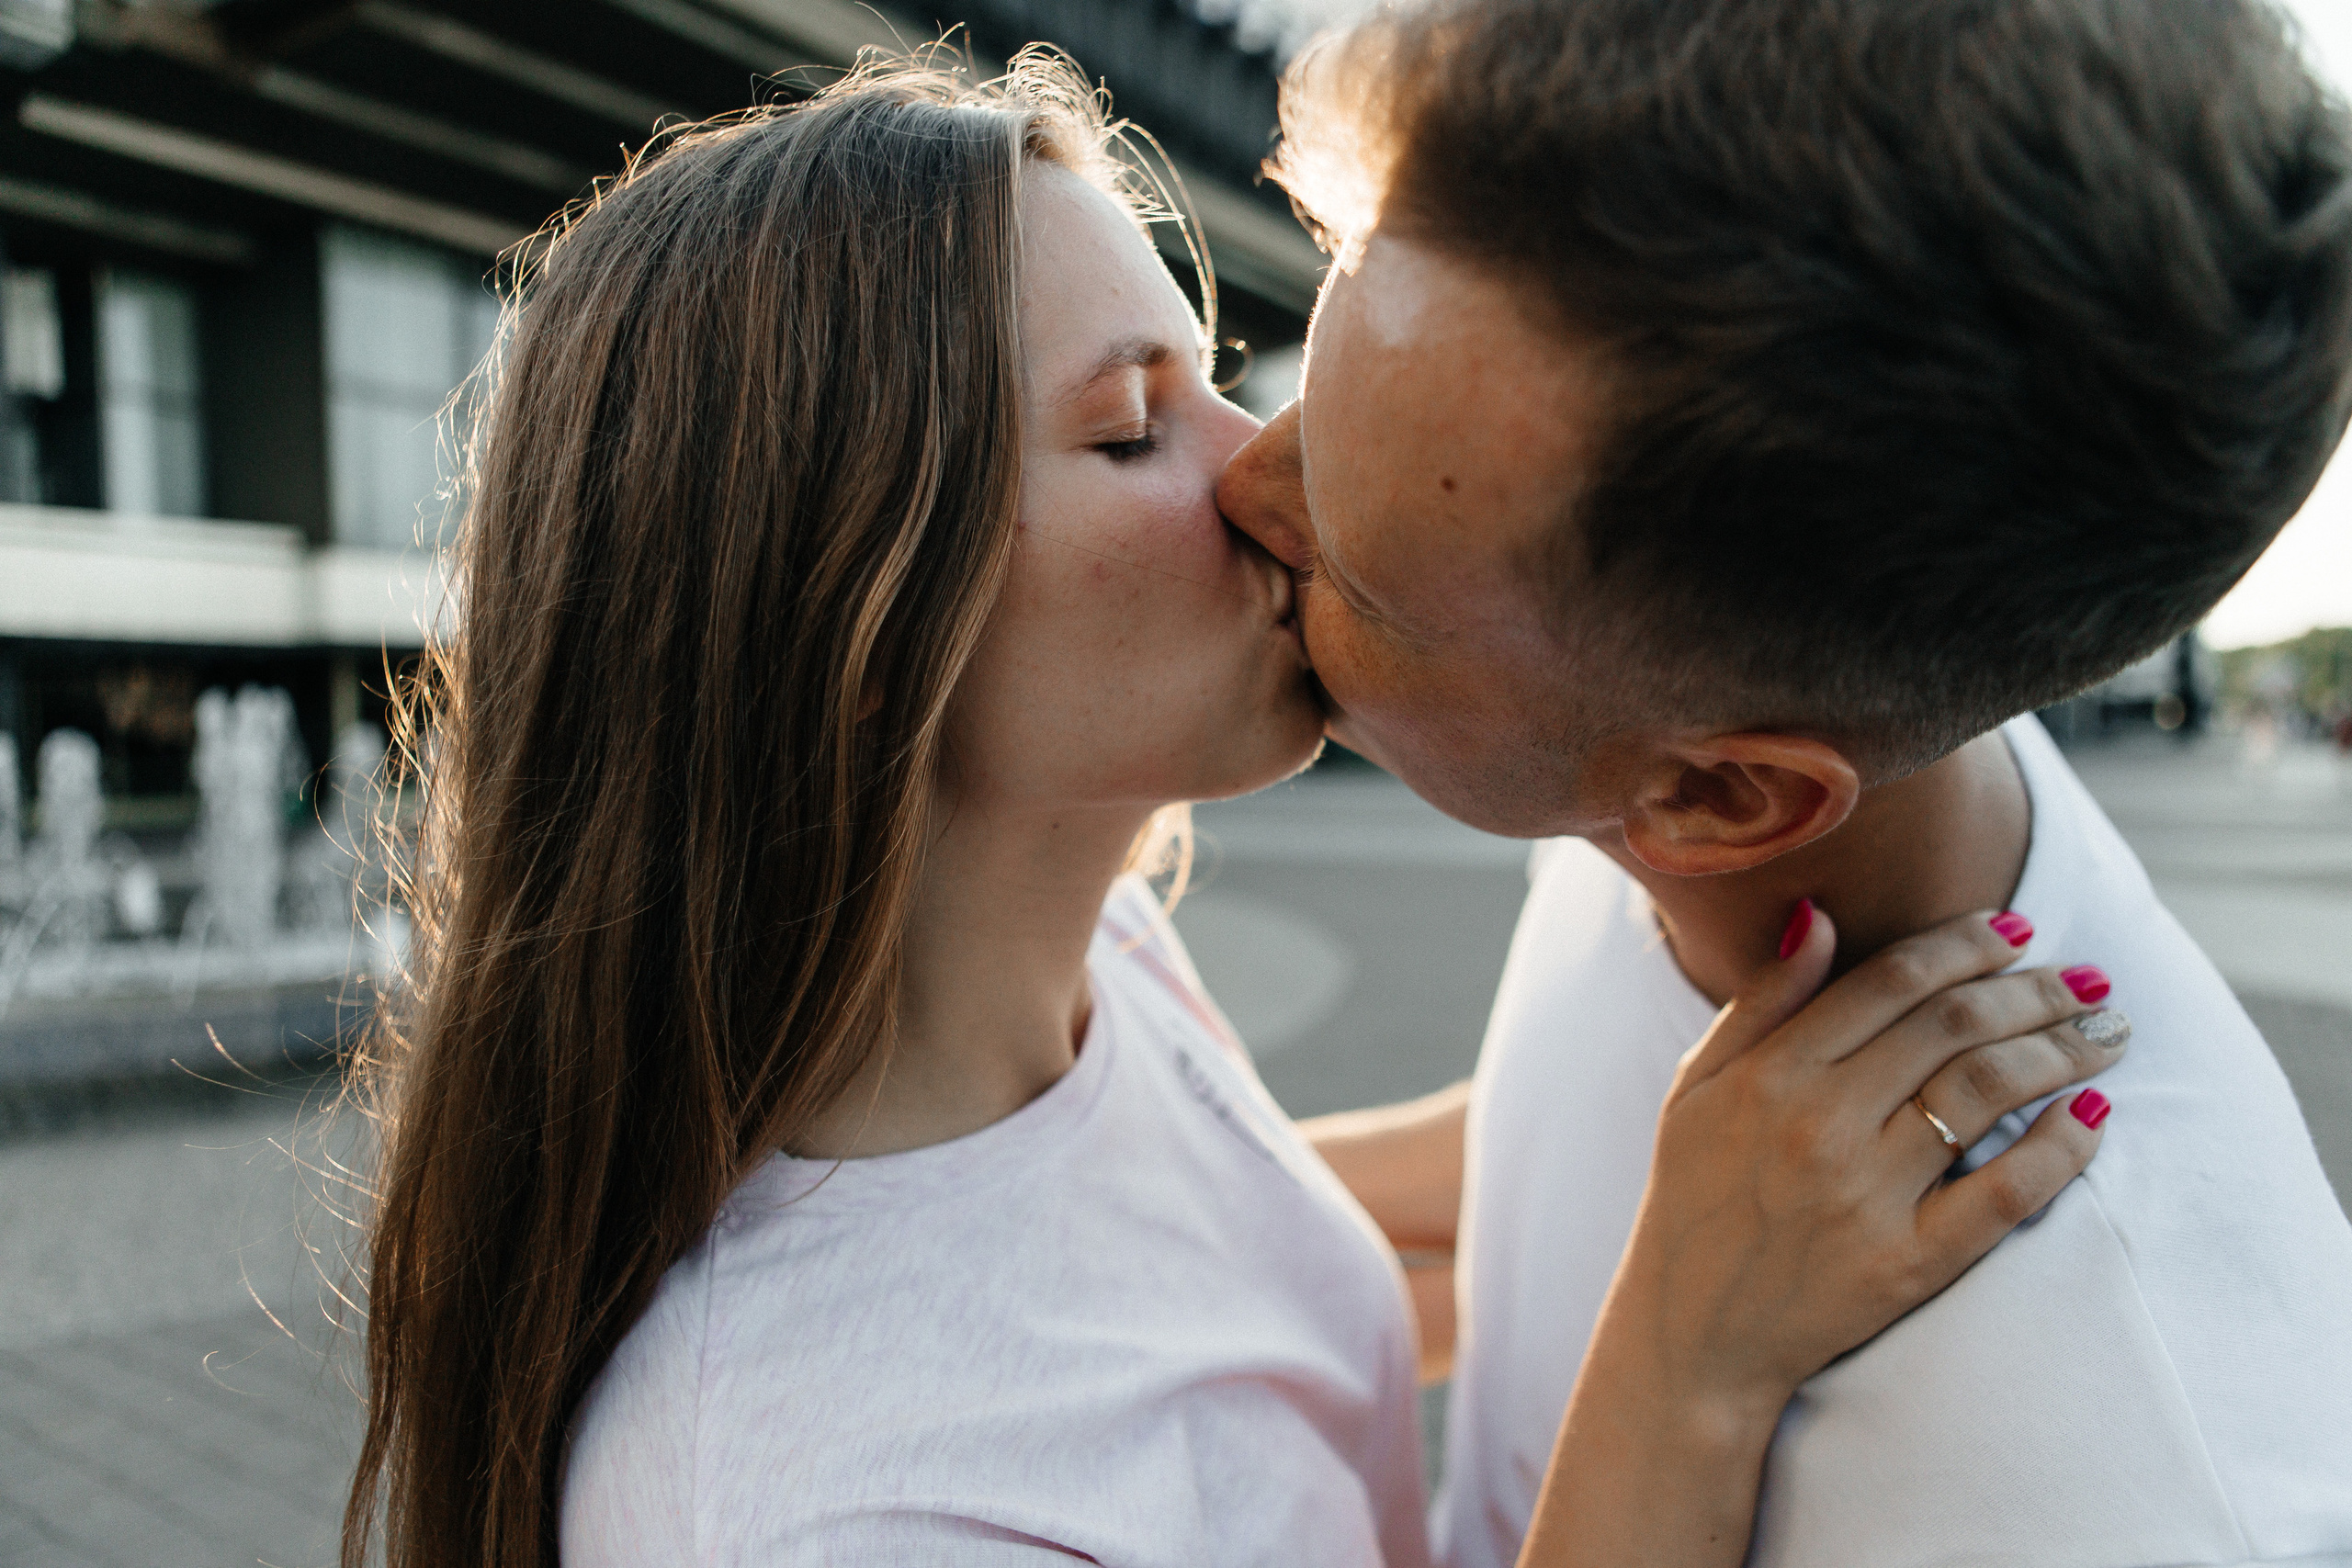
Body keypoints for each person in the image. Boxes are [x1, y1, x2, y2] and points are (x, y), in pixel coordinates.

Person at [340, 53, 2125, 1568]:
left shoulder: (1079, 962)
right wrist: (1687, 1352)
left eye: (1209, 368)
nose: (1272, 467)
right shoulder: (836, 1509)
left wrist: (1719, 1070)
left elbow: (1241, 1322)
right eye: (1132, 428)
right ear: (856, 628)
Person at [1216, 0, 2352, 1564]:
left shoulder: (2138, 1484)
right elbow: (1529, 1165)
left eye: (1354, 562)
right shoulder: (1688, 722)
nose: (1233, 484)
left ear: (1721, 801)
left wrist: (1682, 1354)